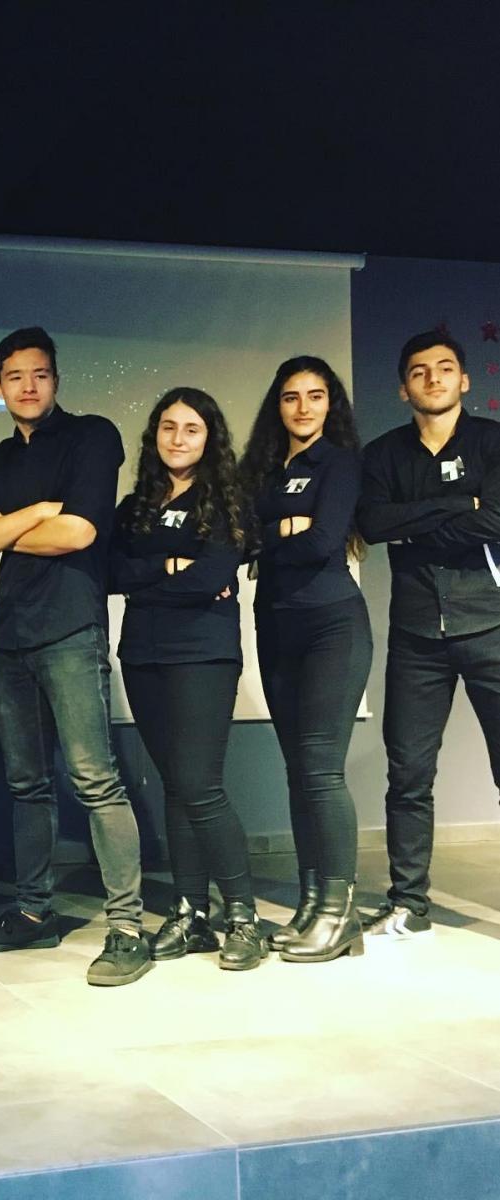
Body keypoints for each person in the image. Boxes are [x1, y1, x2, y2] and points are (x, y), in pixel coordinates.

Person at [0, 326, 150, 986]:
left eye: (39, 374)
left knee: (95, 780)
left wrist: (5, 528)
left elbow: (79, 531)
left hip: (70, 627)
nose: (28, 386)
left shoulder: (91, 436)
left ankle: (128, 929)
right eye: (15, 376)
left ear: (55, 380)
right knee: (26, 784)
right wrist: (36, 514)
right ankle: (34, 912)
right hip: (9, 636)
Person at [112, 388, 267, 970]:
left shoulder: (227, 501)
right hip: (142, 654)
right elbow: (110, 572)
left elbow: (210, 580)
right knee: (176, 785)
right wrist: (168, 566)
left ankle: (244, 919)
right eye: (169, 427)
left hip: (203, 655)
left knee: (200, 785)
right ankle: (190, 914)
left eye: (192, 429)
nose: (178, 438)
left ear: (210, 438)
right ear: (155, 434)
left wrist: (153, 578)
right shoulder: (135, 506)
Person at [357, 330, 500, 938]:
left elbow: (497, 519)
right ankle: (409, 904)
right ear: (403, 388)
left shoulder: (493, 442)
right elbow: (373, 523)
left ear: (464, 380)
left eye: (444, 368)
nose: (433, 378)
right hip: (416, 635)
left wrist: (414, 523)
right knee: (409, 774)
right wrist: (461, 505)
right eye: (419, 371)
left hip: (491, 624)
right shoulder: (383, 454)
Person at [241, 355, 371, 963]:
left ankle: (341, 914)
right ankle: (313, 901)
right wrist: (284, 529)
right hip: (275, 627)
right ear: (278, 405)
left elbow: (323, 541)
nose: (303, 407)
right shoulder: (262, 471)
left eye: (315, 396)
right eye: (291, 396)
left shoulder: (339, 462)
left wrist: (278, 537)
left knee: (320, 770)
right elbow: (241, 539)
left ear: (330, 404)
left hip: (331, 627)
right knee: (299, 771)